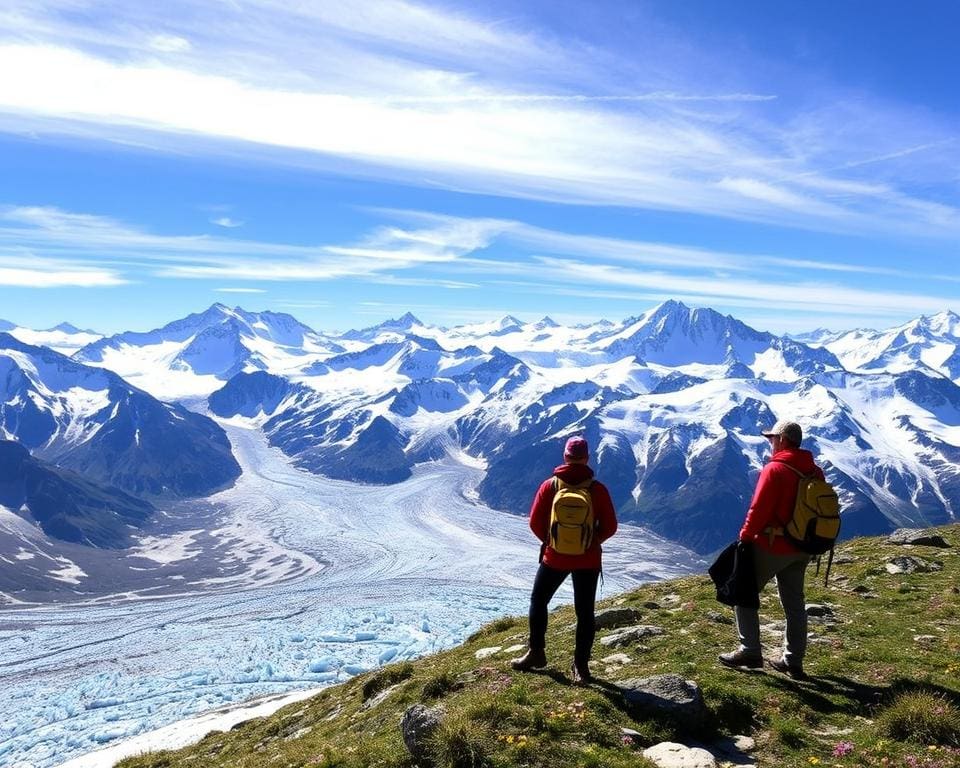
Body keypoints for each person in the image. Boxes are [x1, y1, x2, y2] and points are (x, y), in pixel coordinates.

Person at [718, 419, 824, 679]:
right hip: (804, 547)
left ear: (783, 440)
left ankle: (750, 650)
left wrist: (745, 536)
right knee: (794, 603)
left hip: (774, 544)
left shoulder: (775, 469)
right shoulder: (814, 471)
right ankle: (793, 660)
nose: (770, 443)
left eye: (772, 439)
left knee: (744, 594)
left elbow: (759, 508)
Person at [510, 436, 618, 684]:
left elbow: (535, 522)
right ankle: (581, 668)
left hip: (554, 558)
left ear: (565, 456)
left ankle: (536, 653)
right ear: (587, 458)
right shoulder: (597, 489)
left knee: (539, 600)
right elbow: (611, 526)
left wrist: (553, 542)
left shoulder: (550, 486)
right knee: (585, 612)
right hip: (588, 560)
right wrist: (591, 542)